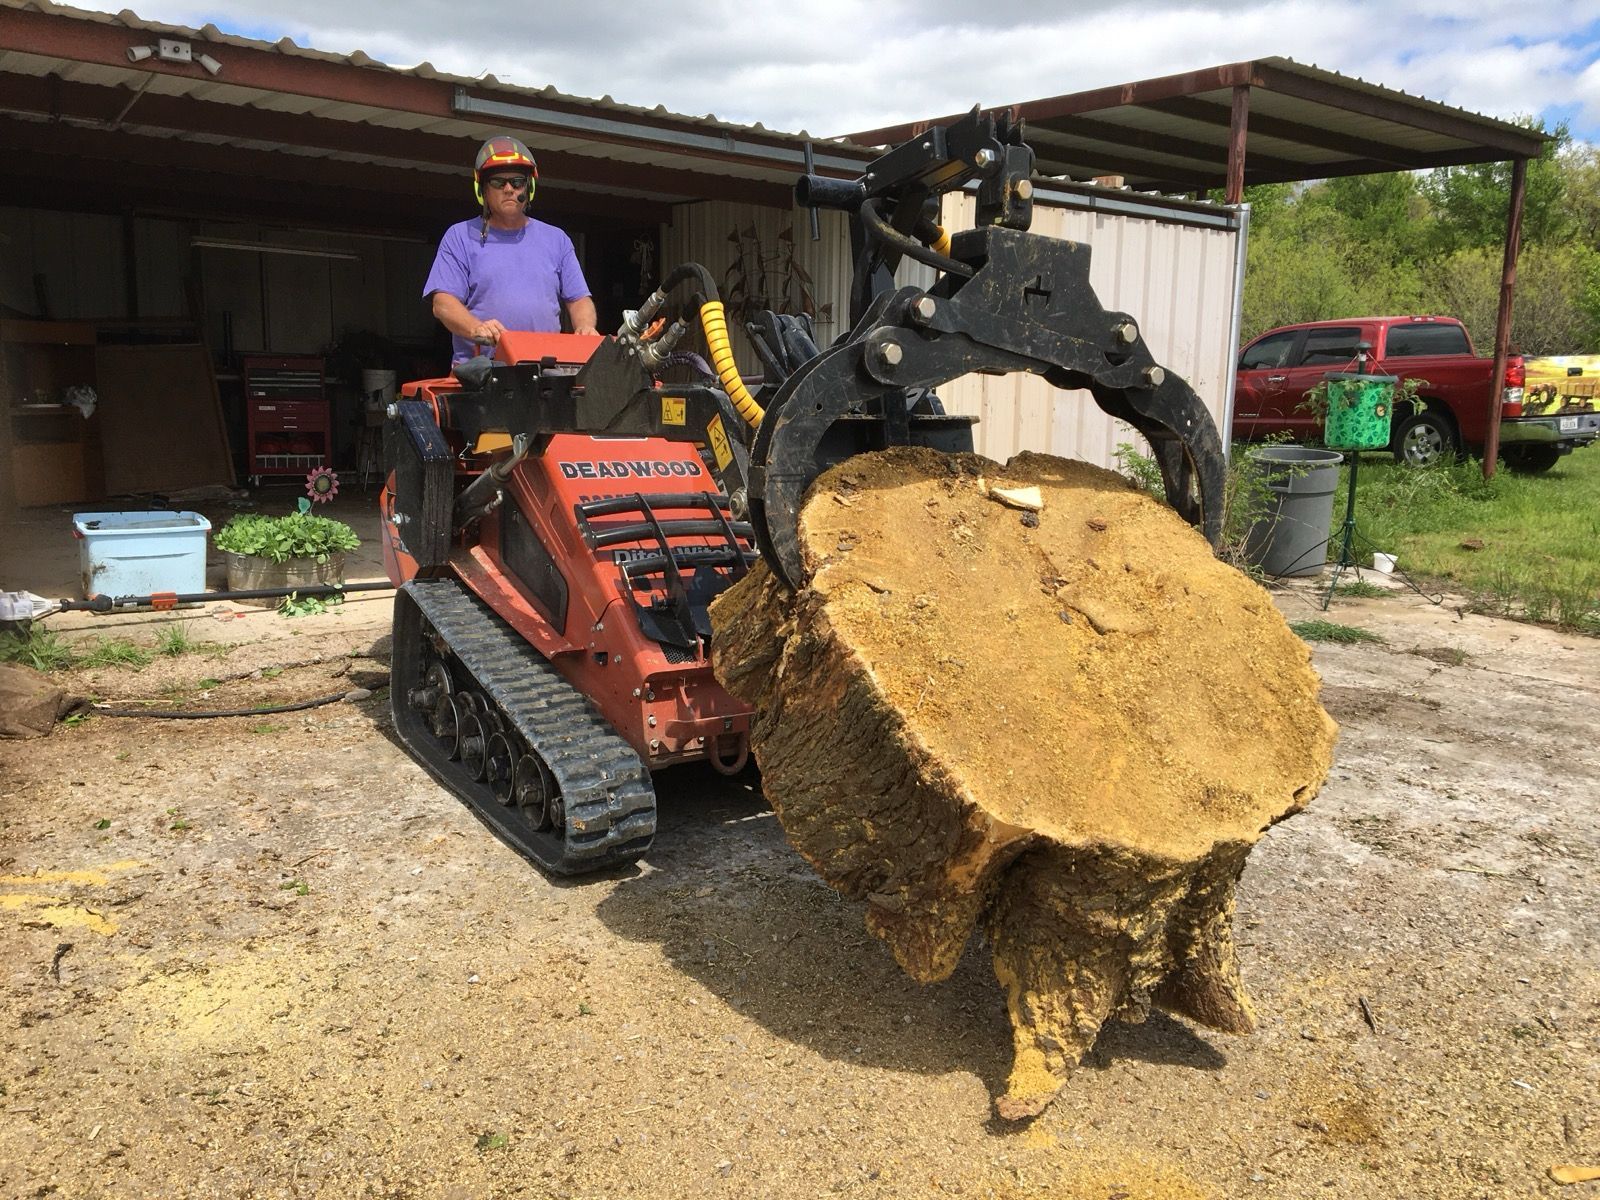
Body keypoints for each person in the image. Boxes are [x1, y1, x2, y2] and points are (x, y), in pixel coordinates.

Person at [423, 135, 598, 361]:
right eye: (498, 182)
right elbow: (443, 304)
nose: (508, 189)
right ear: (482, 190)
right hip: (481, 373)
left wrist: (585, 327)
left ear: (529, 188)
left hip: (546, 370)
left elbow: (579, 299)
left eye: (517, 182)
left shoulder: (557, 239)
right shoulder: (459, 236)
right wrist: (476, 328)